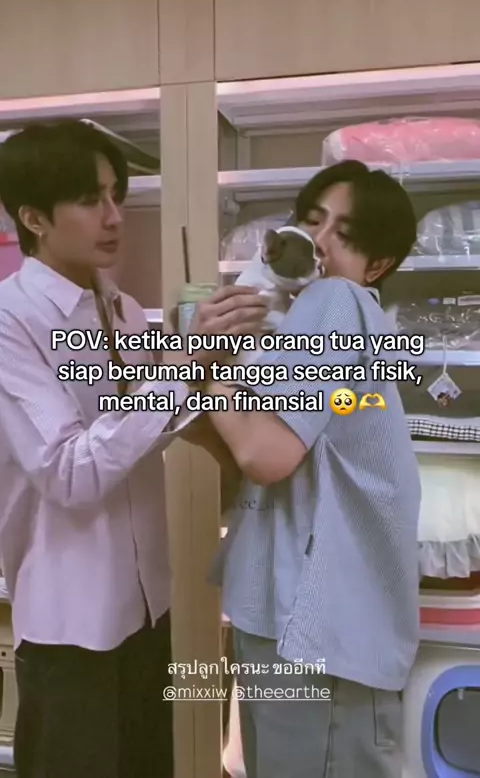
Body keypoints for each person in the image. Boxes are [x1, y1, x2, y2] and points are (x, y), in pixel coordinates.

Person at [0, 120, 267, 778]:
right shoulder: (11, 320)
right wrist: (181, 367)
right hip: (71, 621)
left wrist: (230, 408)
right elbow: (69, 472)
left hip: (148, 605)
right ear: (33, 218)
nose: (114, 216)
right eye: (90, 200)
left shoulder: (118, 308)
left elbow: (146, 423)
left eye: (116, 195)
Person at [196, 161, 422, 778]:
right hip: (284, 619)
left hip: (314, 633)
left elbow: (264, 456)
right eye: (311, 221)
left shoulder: (335, 300)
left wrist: (201, 368)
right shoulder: (296, 324)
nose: (317, 243)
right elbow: (247, 453)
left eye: (342, 234)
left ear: (376, 265)